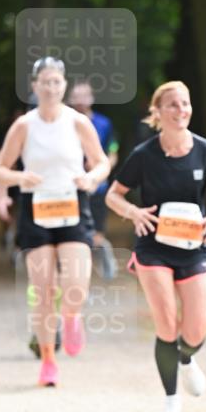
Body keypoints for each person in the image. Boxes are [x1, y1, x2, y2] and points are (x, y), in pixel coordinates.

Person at [105, 81, 206, 412]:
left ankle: (187, 357)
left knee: (194, 332)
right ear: (158, 113)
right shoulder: (144, 155)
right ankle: (171, 402)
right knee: (166, 324)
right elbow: (113, 194)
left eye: (185, 104)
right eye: (173, 105)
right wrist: (133, 212)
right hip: (153, 248)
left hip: (193, 247)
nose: (181, 110)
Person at [0, 57, 110, 387]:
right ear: (35, 86)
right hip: (37, 209)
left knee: (76, 283)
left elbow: (101, 163)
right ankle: (47, 360)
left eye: (57, 82)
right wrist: (19, 177)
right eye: (45, 82)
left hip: (72, 204)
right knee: (43, 290)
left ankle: (71, 317)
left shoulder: (77, 122)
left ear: (64, 86)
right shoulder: (24, 126)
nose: (51, 88)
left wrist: (90, 178)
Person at [68, 81, 120, 279]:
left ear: (92, 98)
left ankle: (102, 249)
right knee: (77, 236)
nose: (80, 100)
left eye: (84, 95)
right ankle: (82, 277)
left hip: (97, 187)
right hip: (72, 188)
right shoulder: (65, 122)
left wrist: (101, 168)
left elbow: (114, 150)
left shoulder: (104, 123)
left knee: (95, 235)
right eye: (76, 95)